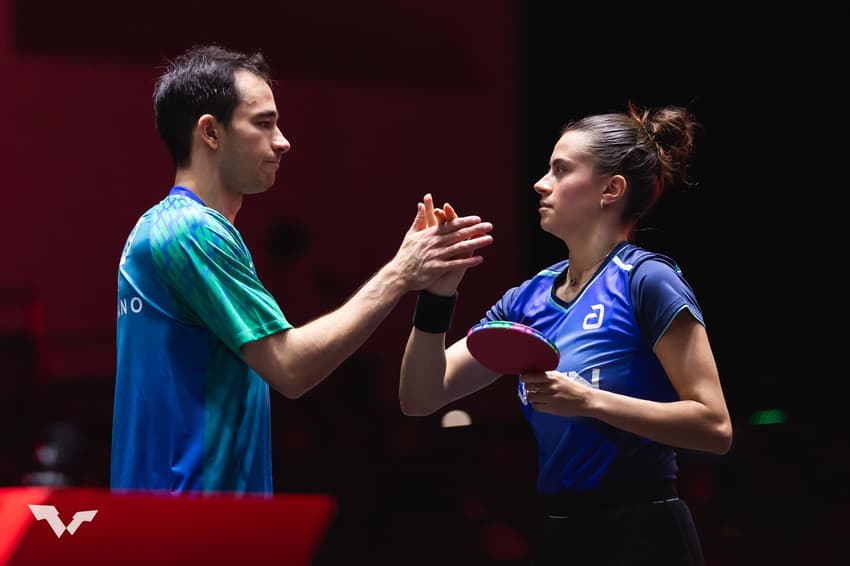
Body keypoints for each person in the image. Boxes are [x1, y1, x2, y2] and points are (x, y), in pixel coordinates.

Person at [110, 44, 494, 496]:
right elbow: (290, 369)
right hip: (190, 525)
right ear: (210, 133)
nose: (283, 141)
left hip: (182, 520)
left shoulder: (161, 227)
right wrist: (401, 273)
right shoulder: (190, 231)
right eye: (263, 123)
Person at [399, 102, 733, 565]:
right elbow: (421, 396)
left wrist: (587, 401)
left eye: (560, 170)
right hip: (561, 531)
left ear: (611, 189)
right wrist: (437, 297)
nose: (540, 182)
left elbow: (714, 427)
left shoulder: (646, 281)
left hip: (645, 530)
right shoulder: (527, 299)